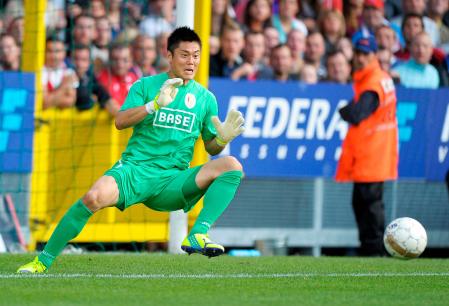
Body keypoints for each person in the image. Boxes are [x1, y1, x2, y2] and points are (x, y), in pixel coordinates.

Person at [17, 26, 245, 273]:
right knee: (92, 197)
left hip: (173, 181)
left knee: (232, 165)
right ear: (169, 56)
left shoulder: (206, 98)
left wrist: (221, 139)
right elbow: (119, 121)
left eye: (196, 55)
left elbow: (211, 146)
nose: (192, 61)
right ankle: (42, 262)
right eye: (184, 55)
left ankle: (198, 234)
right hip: (134, 171)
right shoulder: (145, 86)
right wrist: (153, 105)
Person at [336, 36, 398, 257]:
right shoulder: (376, 79)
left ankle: (374, 249)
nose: (361, 58)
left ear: (374, 55)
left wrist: (344, 111)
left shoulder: (373, 83)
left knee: (370, 204)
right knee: (363, 202)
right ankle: (371, 247)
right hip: (373, 151)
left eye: (365, 54)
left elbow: (357, 113)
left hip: (372, 153)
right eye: (358, 54)